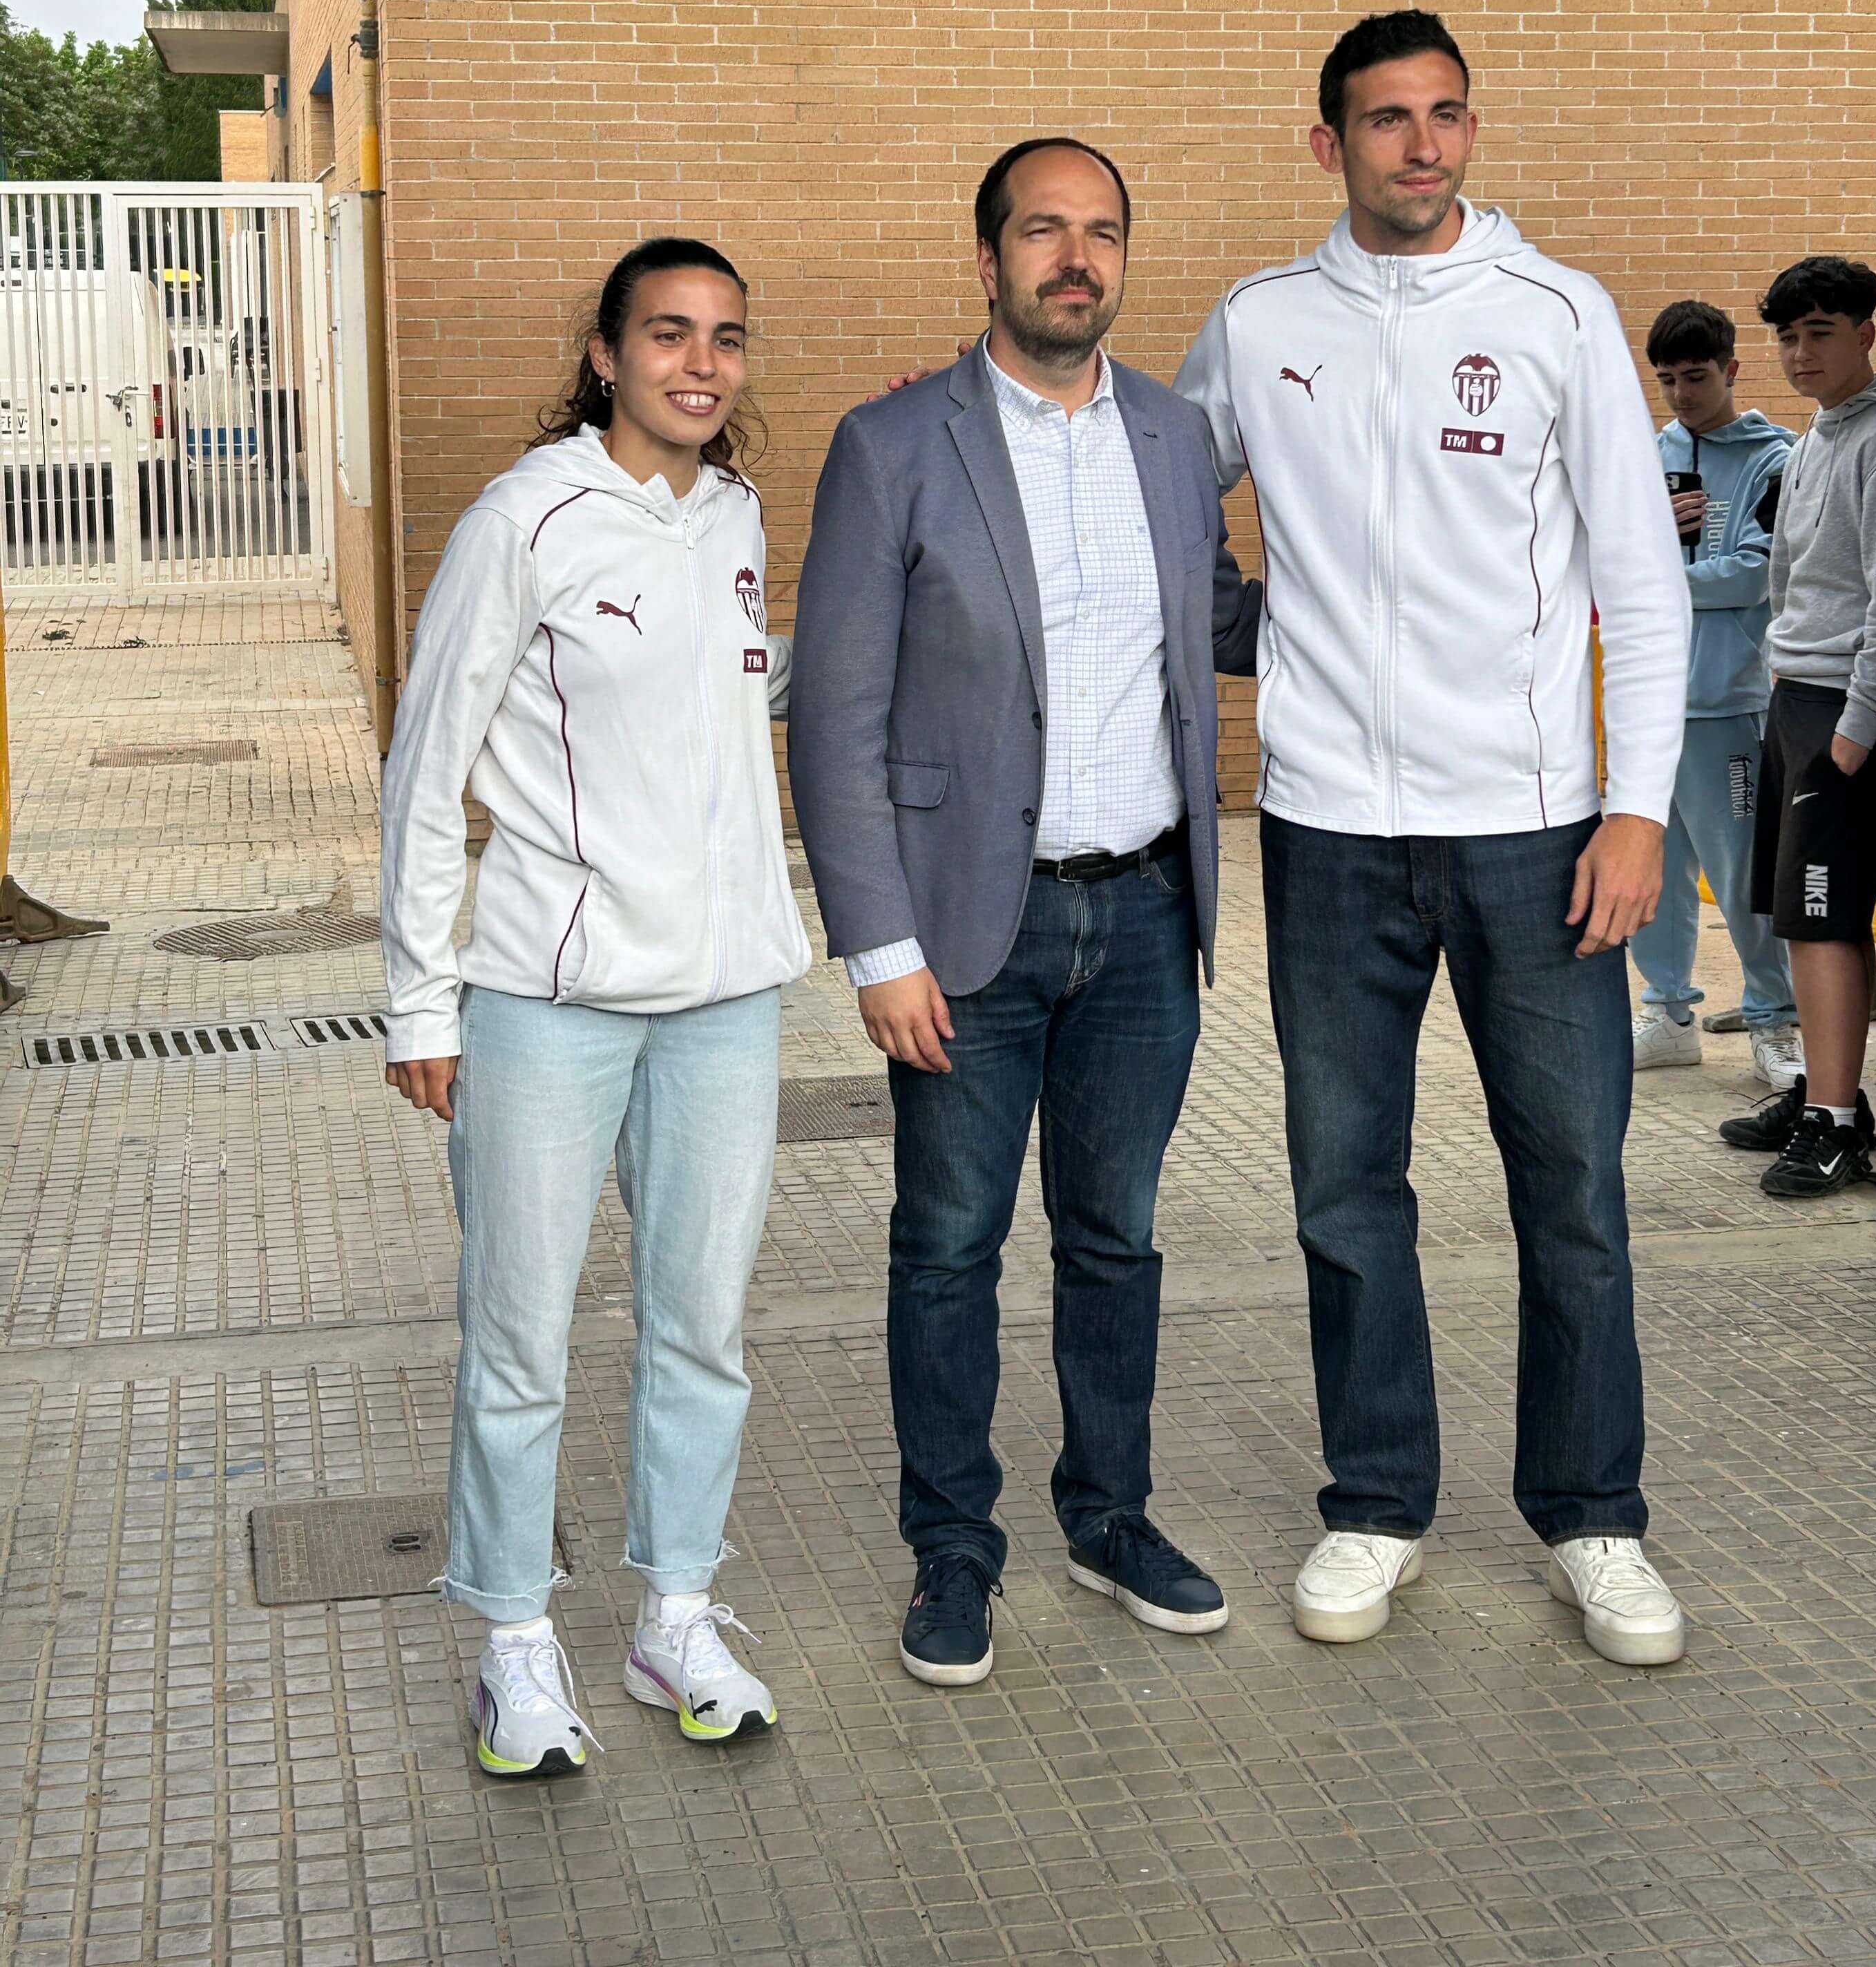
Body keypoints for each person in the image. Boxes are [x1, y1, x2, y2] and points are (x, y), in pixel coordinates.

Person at [1175, 9, 1694, 1668]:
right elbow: (1154, 508)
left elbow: (1643, 579)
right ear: (1327, 144)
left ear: (1472, 130)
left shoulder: (1556, 315)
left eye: (1446, 116)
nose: (1421, 145)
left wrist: (1636, 811)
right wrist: (1256, 632)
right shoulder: (1261, 324)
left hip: (1540, 836)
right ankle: (1377, 1503)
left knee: (1578, 1194)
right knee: (1344, 1187)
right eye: (1386, 121)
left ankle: (1593, 1521)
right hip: (1330, 833)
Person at [789, 139, 1261, 1689]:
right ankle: (954, 1546)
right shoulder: (891, 445)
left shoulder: (1180, 439)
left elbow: (1233, 620)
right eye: (1046, 231)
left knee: (1116, 1241)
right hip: (963, 941)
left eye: (1104, 232)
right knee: (947, 1244)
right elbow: (837, 719)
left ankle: (1108, 1515)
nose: (1079, 257)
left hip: (1143, 920)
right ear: (985, 257)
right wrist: (880, 947)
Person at [380, 237, 810, 1778]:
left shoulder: (739, 520)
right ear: (611, 353)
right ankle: (511, 1639)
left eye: (727, 340)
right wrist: (419, 1002)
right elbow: (429, 770)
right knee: (522, 1339)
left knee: (704, 1329)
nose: (701, 364)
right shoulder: (527, 516)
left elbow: (731, 693)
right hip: (544, 1004)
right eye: (670, 335)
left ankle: (673, 1614)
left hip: (724, 1001)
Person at [1716, 256, 1876, 1195]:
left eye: (1820, 333)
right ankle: (1826, 1093)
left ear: (1866, 332)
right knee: (1798, 912)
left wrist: (1860, 722)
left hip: (1844, 711)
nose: (1800, 353)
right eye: (1787, 338)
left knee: (1830, 918)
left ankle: (1837, 1123)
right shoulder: (1820, 435)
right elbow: (1791, 579)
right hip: (1795, 697)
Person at [1628, 301, 1799, 1085]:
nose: (1680, 395)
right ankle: (1666, 1012)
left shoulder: (1775, 460)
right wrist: (1653, 544)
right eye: (1666, 380)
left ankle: (1774, 1015)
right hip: (1643, 703)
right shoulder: (1641, 454)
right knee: (1648, 871)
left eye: (1695, 377)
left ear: (1730, 369)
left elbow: (1762, 573)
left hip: (1725, 704)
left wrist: (1658, 573)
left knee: (1740, 876)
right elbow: (1604, 559)